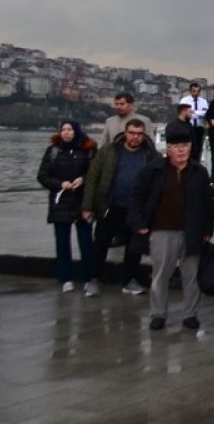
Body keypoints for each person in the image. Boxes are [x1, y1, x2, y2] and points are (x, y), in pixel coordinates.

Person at [129, 124, 214, 331]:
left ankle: (190, 314)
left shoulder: (199, 172)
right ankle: (158, 313)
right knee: (161, 274)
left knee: (191, 276)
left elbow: (207, 203)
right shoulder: (153, 170)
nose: (181, 150)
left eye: (184, 145)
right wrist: (139, 223)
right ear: (168, 149)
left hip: (192, 230)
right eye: (176, 146)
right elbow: (137, 198)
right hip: (162, 230)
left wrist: (207, 230)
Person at [82, 118, 160, 296]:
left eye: (139, 134)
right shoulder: (108, 151)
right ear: (125, 133)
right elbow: (92, 178)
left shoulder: (151, 155)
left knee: (134, 248)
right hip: (109, 207)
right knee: (100, 245)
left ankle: (129, 280)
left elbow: (158, 183)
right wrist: (88, 206)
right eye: (132, 133)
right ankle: (93, 280)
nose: (135, 137)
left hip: (136, 210)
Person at [37, 121, 98, 294]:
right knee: (62, 242)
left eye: (69, 129)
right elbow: (42, 176)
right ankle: (65, 278)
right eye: (63, 130)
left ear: (76, 131)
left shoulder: (88, 150)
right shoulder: (53, 151)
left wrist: (83, 179)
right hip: (60, 201)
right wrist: (59, 184)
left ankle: (89, 278)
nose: (66, 133)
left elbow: (95, 172)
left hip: (82, 201)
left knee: (86, 242)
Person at [178, 82, 209, 163]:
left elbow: (205, 113)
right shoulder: (184, 100)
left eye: (198, 91)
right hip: (187, 128)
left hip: (199, 128)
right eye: (194, 91)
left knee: (198, 150)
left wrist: (193, 112)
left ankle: (196, 167)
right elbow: (183, 114)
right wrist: (198, 113)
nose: (196, 93)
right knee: (187, 149)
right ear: (190, 91)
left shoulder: (204, 101)